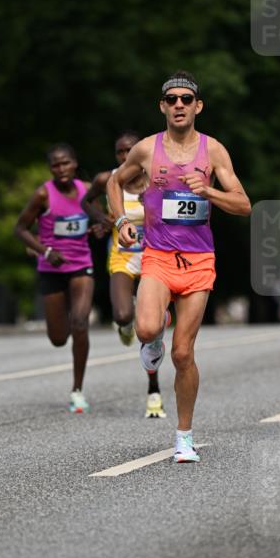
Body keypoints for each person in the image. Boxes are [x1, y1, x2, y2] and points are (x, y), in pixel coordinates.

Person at [107, 71, 251, 462]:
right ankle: (153, 337)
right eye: (172, 100)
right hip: (157, 256)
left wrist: (210, 191)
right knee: (147, 327)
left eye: (186, 99)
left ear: (198, 106)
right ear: (163, 107)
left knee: (184, 354)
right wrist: (121, 223)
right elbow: (113, 184)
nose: (179, 105)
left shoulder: (214, 151)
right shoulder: (147, 150)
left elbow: (243, 204)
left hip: (200, 262)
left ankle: (183, 436)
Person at [82, 131, 166, 419]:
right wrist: (103, 219)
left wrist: (151, 206)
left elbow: (176, 215)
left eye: (130, 149)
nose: (125, 155)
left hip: (154, 257)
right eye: (120, 151)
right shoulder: (109, 180)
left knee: (151, 328)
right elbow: (86, 202)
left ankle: (154, 392)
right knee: (121, 315)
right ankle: (125, 324)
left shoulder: (157, 178)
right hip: (123, 257)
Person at [15, 143, 96, 413]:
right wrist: (45, 251)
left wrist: (99, 227)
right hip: (51, 269)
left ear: (75, 163)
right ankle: (68, 331)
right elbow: (21, 228)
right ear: (51, 168)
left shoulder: (87, 189)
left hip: (81, 265)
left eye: (66, 163)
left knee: (80, 323)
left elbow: (98, 219)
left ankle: (77, 390)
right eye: (56, 165)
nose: (61, 169)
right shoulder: (43, 194)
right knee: (59, 338)